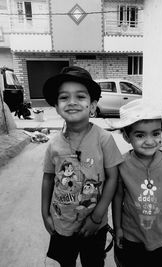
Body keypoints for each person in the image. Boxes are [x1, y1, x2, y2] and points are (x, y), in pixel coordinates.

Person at [41, 66, 123, 267]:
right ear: (56, 106)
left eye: (80, 96)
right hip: (62, 223)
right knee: (65, 261)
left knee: (93, 262)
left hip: (94, 225)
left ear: (93, 105)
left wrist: (96, 217)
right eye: (64, 97)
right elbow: (48, 178)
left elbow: (113, 178)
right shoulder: (53, 144)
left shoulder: (104, 139)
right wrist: (45, 213)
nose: (72, 102)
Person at [110, 99, 162, 267]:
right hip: (132, 235)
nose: (150, 141)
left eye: (156, 133)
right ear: (126, 136)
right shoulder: (122, 164)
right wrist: (118, 228)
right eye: (140, 135)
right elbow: (117, 197)